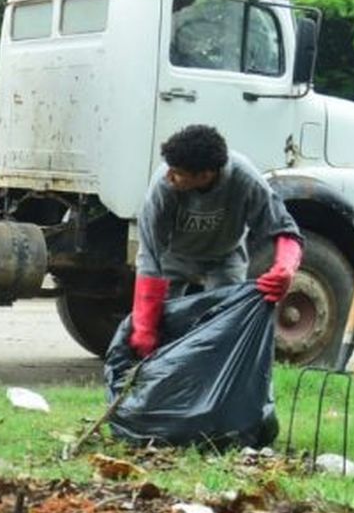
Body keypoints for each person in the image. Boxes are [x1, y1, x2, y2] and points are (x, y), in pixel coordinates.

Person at [127, 124, 304, 359]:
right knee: (164, 329)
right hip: (173, 258)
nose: (169, 176)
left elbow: (284, 226)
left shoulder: (246, 180)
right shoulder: (163, 186)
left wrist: (285, 268)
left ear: (205, 175)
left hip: (225, 257)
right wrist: (145, 327)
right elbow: (149, 255)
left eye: (178, 172)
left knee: (225, 329)